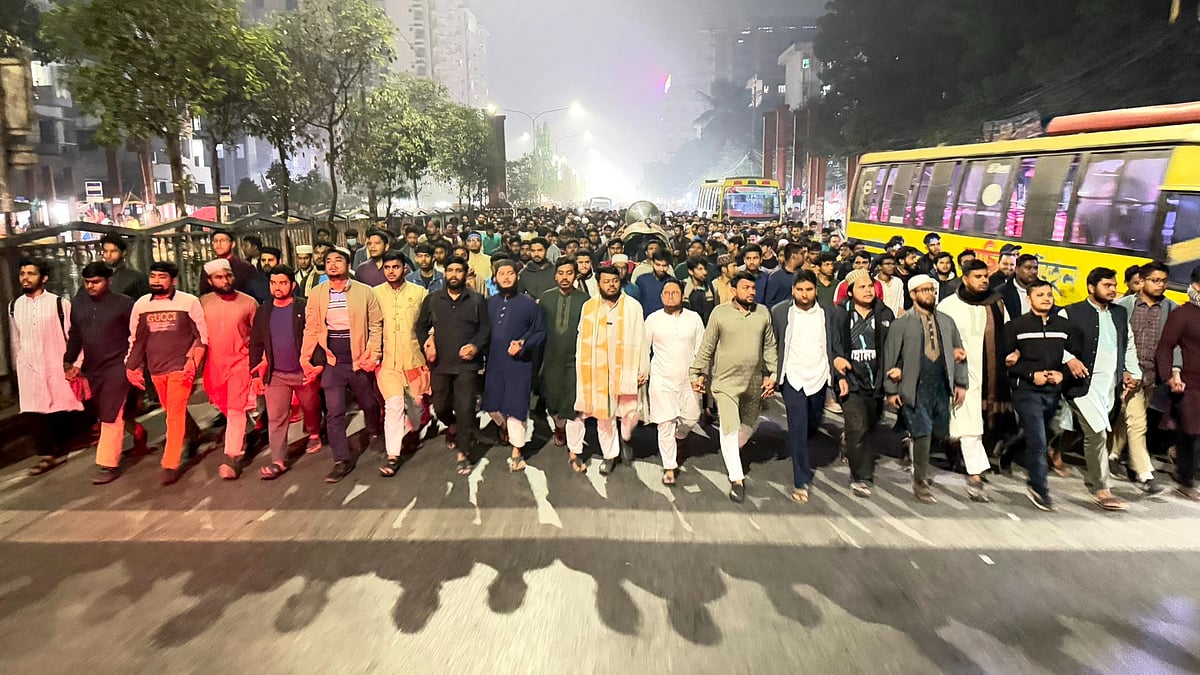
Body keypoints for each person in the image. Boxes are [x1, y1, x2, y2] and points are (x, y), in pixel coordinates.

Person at [690, 271, 778, 504]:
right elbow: (707, 346)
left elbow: (770, 346)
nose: (751, 292)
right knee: (729, 428)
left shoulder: (763, 313)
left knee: (747, 427)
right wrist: (695, 372)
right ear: (733, 290)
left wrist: (773, 374)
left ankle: (731, 451)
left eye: (753, 288)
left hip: (753, 383)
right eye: (746, 288)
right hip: (725, 383)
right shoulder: (720, 314)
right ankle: (737, 479)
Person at [1059, 267, 1141, 511]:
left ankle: (1053, 450)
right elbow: (1054, 342)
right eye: (1107, 285)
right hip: (1082, 386)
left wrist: (1132, 372)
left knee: (1087, 430)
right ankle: (1102, 489)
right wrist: (1069, 359)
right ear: (1091, 287)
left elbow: (1128, 345)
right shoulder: (1070, 312)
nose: (1113, 289)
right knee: (1097, 434)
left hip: (1110, 386)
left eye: (1114, 285)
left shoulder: (1119, 313)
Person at [882, 275, 968, 504]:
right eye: (924, 290)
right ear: (913, 294)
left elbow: (960, 353)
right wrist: (891, 391)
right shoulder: (902, 324)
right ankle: (920, 482)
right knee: (923, 433)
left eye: (932, 290)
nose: (930, 294)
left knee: (940, 432)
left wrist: (960, 383)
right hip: (914, 386)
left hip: (940, 386)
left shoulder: (947, 322)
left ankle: (909, 444)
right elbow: (890, 358)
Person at [301, 247, 384, 484]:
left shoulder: (364, 291)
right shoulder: (317, 293)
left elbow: (376, 325)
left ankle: (374, 430)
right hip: (332, 359)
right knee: (335, 411)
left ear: (348, 266)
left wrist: (373, 353)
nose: (333, 264)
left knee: (369, 402)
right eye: (329, 261)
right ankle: (341, 459)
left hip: (358, 355)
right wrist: (305, 357)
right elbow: (312, 327)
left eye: (338, 260)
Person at [126, 261, 208, 486]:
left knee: (173, 414)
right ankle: (195, 434)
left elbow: (201, 336)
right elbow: (136, 339)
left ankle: (170, 463)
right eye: (153, 276)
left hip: (181, 367)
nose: (156, 281)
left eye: (162, 277)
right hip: (156, 369)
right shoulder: (142, 304)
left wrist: (193, 362)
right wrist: (132, 366)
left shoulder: (189, 302)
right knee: (172, 409)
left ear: (174, 280)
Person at [64, 262, 146, 484]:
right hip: (93, 368)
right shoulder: (78, 303)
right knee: (108, 411)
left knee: (110, 413)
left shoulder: (124, 304)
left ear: (109, 280)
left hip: (119, 366)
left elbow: (137, 337)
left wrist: (135, 364)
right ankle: (139, 433)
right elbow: (75, 334)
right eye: (87, 282)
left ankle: (108, 464)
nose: (91, 286)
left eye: (96, 282)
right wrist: (68, 360)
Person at [937, 259, 1011, 502]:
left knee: (974, 425)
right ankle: (975, 476)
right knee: (970, 426)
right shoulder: (949, 306)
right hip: (958, 374)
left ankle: (965, 462)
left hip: (990, 375)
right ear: (965, 278)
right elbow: (937, 337)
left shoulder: (996, 303)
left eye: (985, 276)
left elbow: (1007, 333)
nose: (983, 281)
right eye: (978, 277)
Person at [770, 270, 843, 504]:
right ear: (793, 290)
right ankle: (801, 479)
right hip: (793, 377)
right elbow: (773, 345)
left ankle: (799, 442)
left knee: (813, 421)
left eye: (809, 289)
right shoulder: (780, 312)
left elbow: (835, 345)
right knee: (798, 428)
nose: (804, 294)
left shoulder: (829, 313)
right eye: (799, 290)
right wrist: (771, 374)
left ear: (816, 290)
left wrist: (839, 374)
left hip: (819, 377)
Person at [11, 258, 85, 476]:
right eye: (22, 273)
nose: (25, 278)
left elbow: (74, 336)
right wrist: (18, 364)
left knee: (58, 408)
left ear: (44, 278)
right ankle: (47, 455)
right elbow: (16, 338)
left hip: (56, 364)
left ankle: (60, 449)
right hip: (29, 368)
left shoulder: (59, 304)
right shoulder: (14, 306)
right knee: (33, 412)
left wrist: (77, 363)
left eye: (31, 273)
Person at [416, 257, 490, 475]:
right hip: (440, 364)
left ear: (465, 274)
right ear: (445, 273)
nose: (454, 274)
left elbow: (485, 329)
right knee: (440, 406)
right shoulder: (432, 300)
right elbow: (421, 328)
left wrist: (475, 346)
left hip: (467, 366)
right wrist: (426, 344)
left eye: (459, 270)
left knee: (465, 408)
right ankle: (454, 425)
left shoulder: (476, 300)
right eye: (450, 270)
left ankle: (463, 452)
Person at [249, 265, 324, 480]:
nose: (277, 287)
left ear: (293, 285)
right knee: (276, 417)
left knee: (310, 406)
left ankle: (314, 432)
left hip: (303, 372)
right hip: (276, 374)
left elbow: (317, 335)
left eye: (282, 283)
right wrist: (255, 374)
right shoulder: (264, 311)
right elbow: (256, 343)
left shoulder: (304, 306)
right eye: (273, 283)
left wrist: (317, 365)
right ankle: (278, 461)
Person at [575, 265, 650, 475]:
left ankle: (626, 439)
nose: (611, 285)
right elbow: (581, 339)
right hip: (598, 370)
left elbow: (642, 338)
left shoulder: (633, 307)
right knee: (604, 416)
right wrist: (582, 369)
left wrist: (644, 367)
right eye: (606, 282)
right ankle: (610, 454)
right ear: (598, 283)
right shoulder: (589, 307)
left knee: (629, 413)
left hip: (627, 368)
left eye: (615, 281)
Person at [1109, 261, 1175, 495]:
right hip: (1125, 374)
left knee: (1129, 417)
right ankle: (1145, 474)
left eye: (1164, 281)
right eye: (1155, 280)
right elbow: (1112, 341)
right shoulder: (1123, 306)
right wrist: (1123, 371)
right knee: (1137, 423)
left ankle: (1113, 454)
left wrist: (1173, 371)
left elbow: (1174, 345)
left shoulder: (1171, 309)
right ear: (1142, 281)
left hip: (1151, 378)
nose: (1160, 285)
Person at [1005, 279, 1070, 511]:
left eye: (1049, 294)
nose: (1046, 298)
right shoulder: (1016, 326)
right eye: (1040, 295)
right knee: (1039, 441)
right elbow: (1006, 361)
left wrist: (1062, 374)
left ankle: (1010, 450)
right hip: (1026, 391)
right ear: (1029, 298)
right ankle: (1039, 488)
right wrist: (1031, 374)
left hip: (1053, 392)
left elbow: (1073, 356)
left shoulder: (1063, 326)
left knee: (1042, 433)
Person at [832, 269, 894, 497]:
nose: (868, 290)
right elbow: (832, 346)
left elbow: (891, 346)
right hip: (850, 381)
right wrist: (838, 373)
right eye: (862, 287)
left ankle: (849, 442)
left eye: (870, 286)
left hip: (876, 382)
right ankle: (860, 476)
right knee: (858, 426)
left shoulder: (884, 314)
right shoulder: (840, 314)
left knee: (870, 425)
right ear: (850, 292)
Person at [483, 260, 546, 472]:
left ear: (517, 276)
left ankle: (517, 451)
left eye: (510, 273)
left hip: (519, 364)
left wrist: (523, 344)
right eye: (501, 274)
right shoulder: (489, 303)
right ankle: (504, 428)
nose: (506, 277)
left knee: (516, 407)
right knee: (492, 406)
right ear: (495, 278)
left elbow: (540, 332)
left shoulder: (529, 304)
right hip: (494, 363)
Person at [199, 259, 260, 480]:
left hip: (241, 364)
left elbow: (258, 334)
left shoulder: (249, 302)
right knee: (226, 406)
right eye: (219, 277)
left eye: (228, 276)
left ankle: (232, 456)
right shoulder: (202, 303)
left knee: (235, 409)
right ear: (210, 281)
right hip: (214, 366)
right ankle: (250, 431)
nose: (225, 281)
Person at [373, 252, 431, 477]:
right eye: (387, 268)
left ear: (405, 268)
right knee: (394, 406)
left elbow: (429, 324)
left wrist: (432, 343)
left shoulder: (419, 293)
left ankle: (415, 431)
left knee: (416, 405)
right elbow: (372, 326)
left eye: (395, 267)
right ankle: (393, 456)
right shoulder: (375, 294)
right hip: (388, 362)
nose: (391, 271)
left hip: (414, 359)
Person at [644, 278, 706, 486]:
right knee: (665, 423)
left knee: (691, 418)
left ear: (682, 295)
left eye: (675, 293)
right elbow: (643, 349)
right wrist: (642, 373)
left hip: (689, 379)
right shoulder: (653, 319)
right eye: (667, 293)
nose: (670, 296)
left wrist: (701, 375)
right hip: (661, 378)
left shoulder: (694, 319)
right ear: (661, 296)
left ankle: (680, 437)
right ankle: (669, 466)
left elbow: (701, 348)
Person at [539, 258, 590, 472]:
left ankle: (574, 451)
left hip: (575, 360)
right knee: (553, 402)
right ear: (555, 276)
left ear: (575, 275)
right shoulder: (546, 298)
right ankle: (559, 428)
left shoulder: (585, 300)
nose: (565, 277)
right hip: (550, 358)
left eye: (569, 273)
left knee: (574, 405)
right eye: (561, 273)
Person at [1157, 265, 1200, 501]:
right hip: (1188, 383)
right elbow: (1166, 346)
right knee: (1191, 431)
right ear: (1196, 286)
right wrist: (1170, 375)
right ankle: (1186, 479)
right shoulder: (1182, 314)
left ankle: (1183, 466)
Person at [200, 231, 257, 296]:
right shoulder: (209, 268)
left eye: (223, 241)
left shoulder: (245, 267)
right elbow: (204, 294)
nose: (218, 244)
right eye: (215, 241)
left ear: (233, 244)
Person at [99, 234, 150, 299]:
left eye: (113, 251)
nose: (108, 255)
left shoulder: (136, 277)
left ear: (124, 253)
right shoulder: (97, 274)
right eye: (105, 251)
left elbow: (144, 301)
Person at [761, 243, 805, 307]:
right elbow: (769, 302)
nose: (804, 257)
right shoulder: (776, 276)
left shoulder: (803, 274)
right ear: (794, 256)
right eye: (802, 254)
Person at [634, 250, 674, 318]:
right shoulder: (641, 280)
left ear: (668, 266)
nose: (661, 269)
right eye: (658, 265)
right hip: (645, 320)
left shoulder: (673, 283)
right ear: (652, 263)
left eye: (664, 266)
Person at [682, 257, 716, 324]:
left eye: (705, 269)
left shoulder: (709, 287)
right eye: (700, 269)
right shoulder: (683, 287)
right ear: (690, 271)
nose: (705, 272)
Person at [875, 253, 905, 317]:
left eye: (893, 264)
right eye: (888, 264)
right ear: (879, 266)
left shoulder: (898, 282)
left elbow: (901, 302)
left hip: (896, 319)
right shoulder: (873, 283)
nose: (892, 266)